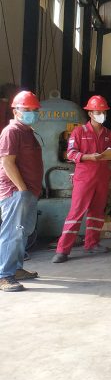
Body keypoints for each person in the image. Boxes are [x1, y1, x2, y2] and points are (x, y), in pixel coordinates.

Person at [52, 95, 111, 263]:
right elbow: (70, 153)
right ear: (90, 113)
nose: (102, 115)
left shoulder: (108, 134)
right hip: (84, 178)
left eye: (104, 112)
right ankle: (62, 250)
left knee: (97, 212)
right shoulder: (79, 132)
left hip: (102, 177)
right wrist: (89, 157)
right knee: (76, 212)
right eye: (98, 112)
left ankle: (92, 243)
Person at [0, 91, 43, 292]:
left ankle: (16, 269)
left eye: (34, 110)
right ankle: (3, 275)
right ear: (16, 111)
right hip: (16, 192)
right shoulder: (12, 132)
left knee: (22, 233)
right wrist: (22, 189)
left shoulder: (27, 131)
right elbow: (7, 163)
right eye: (27, 109)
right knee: (12, 233)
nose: (31, 113)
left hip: (28, 192)